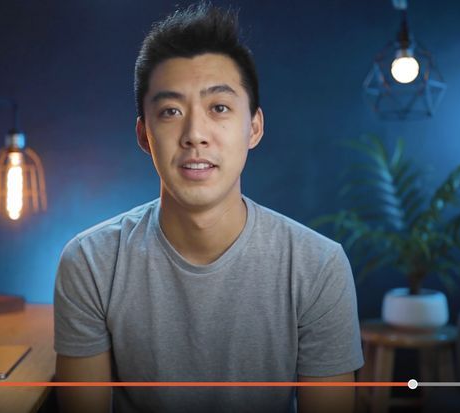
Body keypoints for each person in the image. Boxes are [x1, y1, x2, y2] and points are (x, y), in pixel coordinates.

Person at [54, 3, 363, 412]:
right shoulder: (91, 263)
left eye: (219, 108)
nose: (195, 134)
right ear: (144, 135)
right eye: (170, 112)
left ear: (253, 127)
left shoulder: (317, 266)